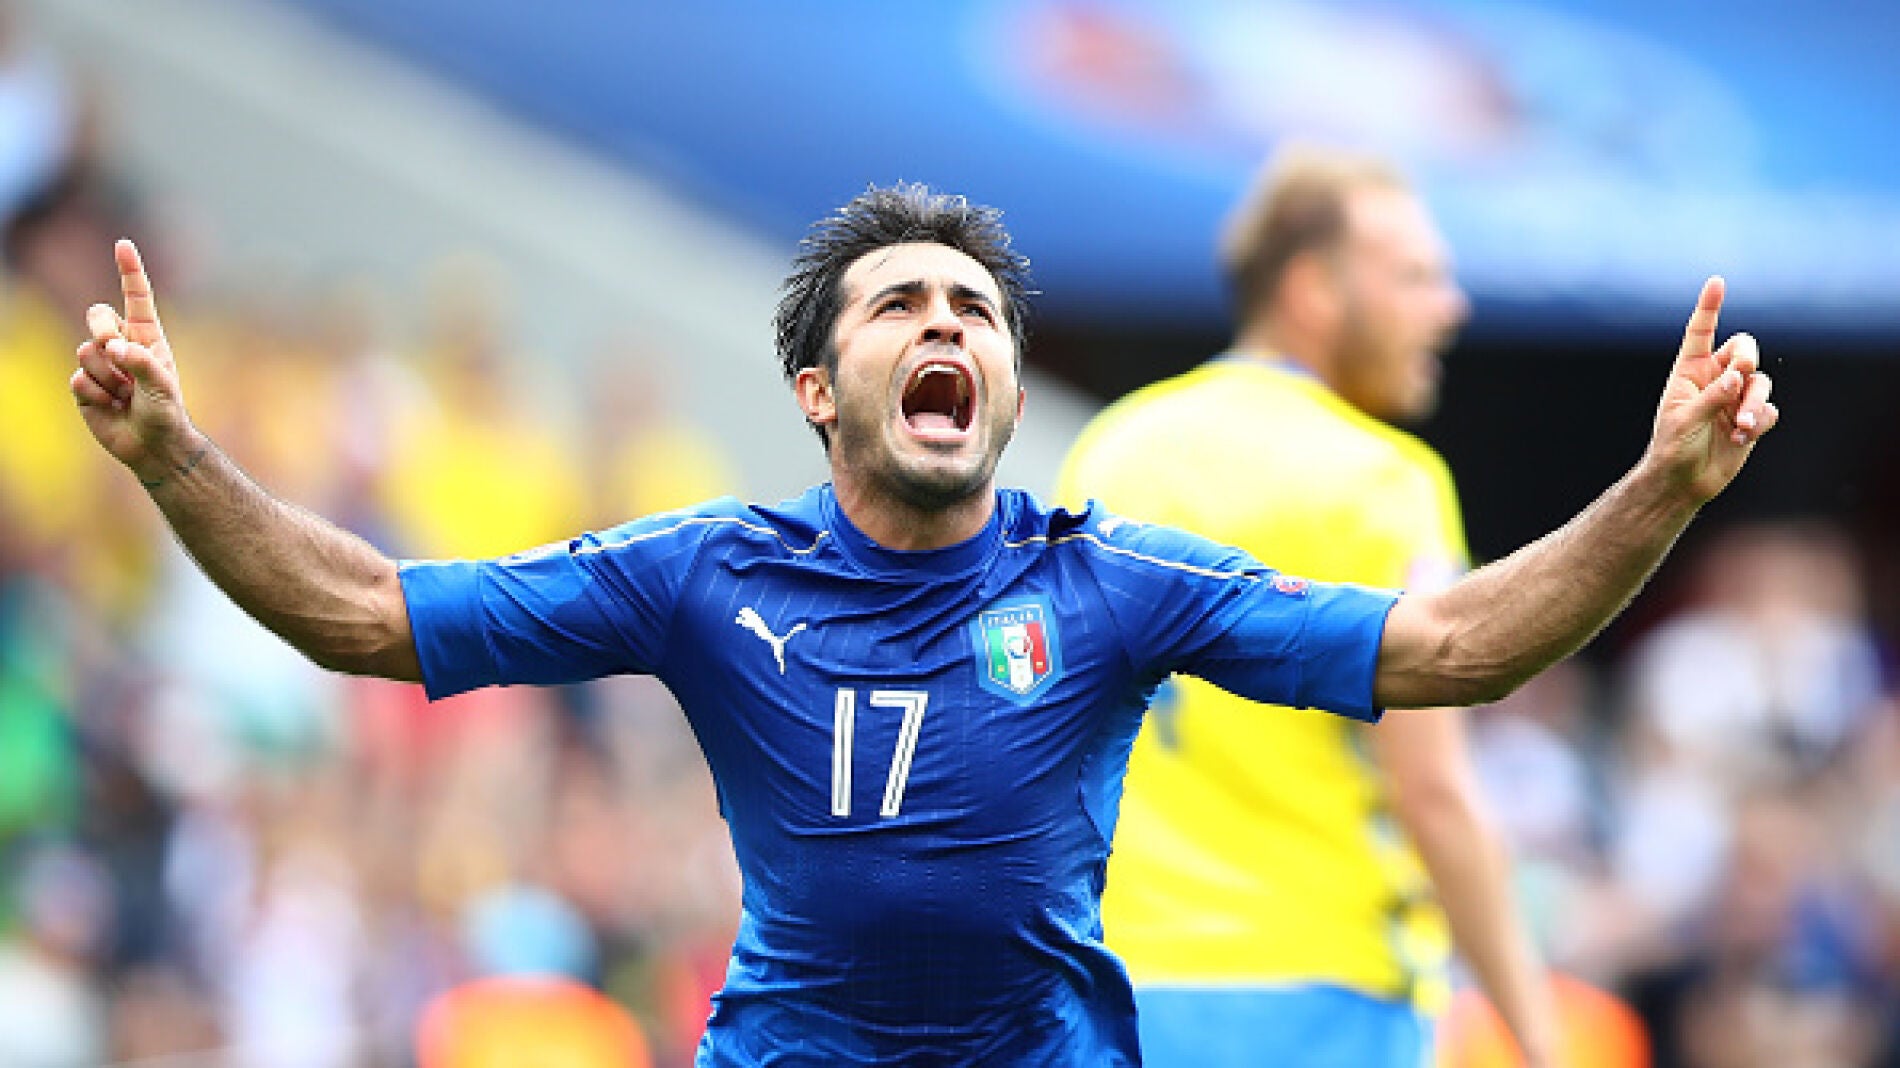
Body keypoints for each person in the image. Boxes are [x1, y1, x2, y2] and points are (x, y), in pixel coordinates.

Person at [68, 182, 1775, 1066]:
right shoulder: (701, 568)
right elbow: (365, 611)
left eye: (975, 308)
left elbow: (1452, 647)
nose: (945, 321)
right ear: (821, 388)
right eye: (902, 304)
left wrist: (1665, 489)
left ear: (1010, 387)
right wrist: (171, 451)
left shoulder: (1111, 576)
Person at [1056, 148, 1554, 1066]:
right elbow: (1434, 794)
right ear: (1314, 287)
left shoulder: (1108, 451)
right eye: (1415, 277)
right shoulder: (1384, 480)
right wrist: (1539, 1037)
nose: (1451, 308)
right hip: (1323, 1001)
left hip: (1115, 999)